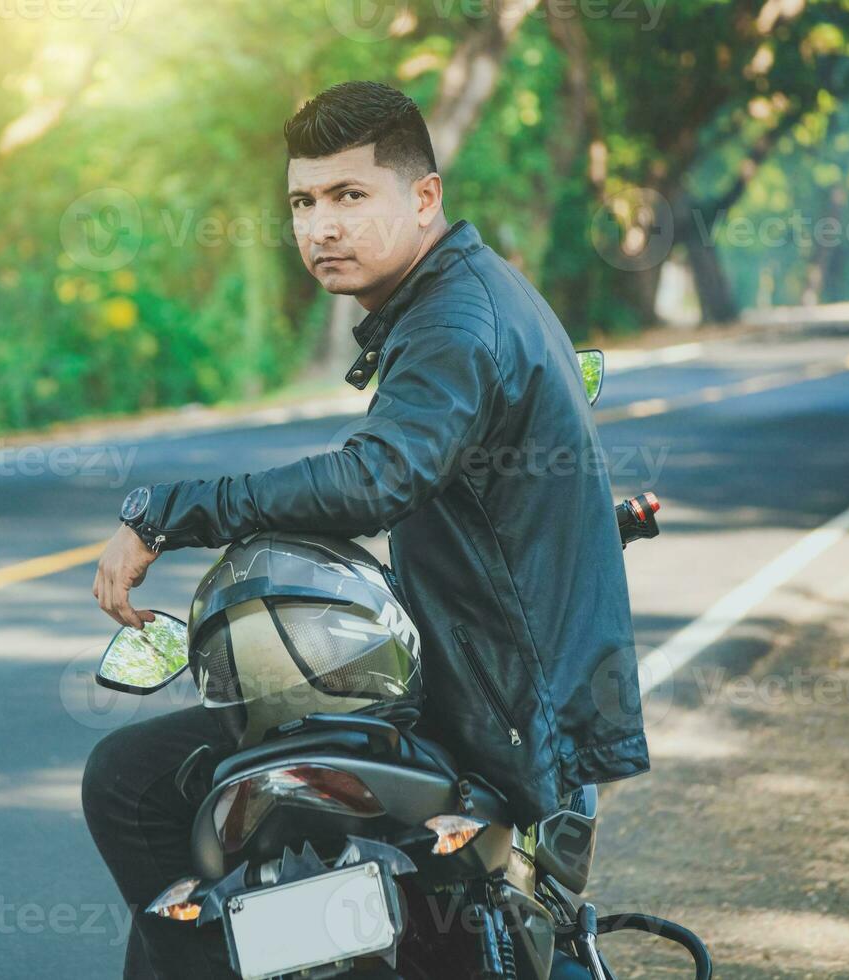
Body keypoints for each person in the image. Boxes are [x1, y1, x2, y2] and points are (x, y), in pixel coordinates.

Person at [83, 80, 649, 979]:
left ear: (423, 198)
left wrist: (171, 510)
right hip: (503, 687)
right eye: (304, 202)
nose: (321, 226)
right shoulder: (465, 295)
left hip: (499, 713)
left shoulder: (456, 321)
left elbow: (374, 480)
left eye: (350, 196)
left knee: (133, 783)